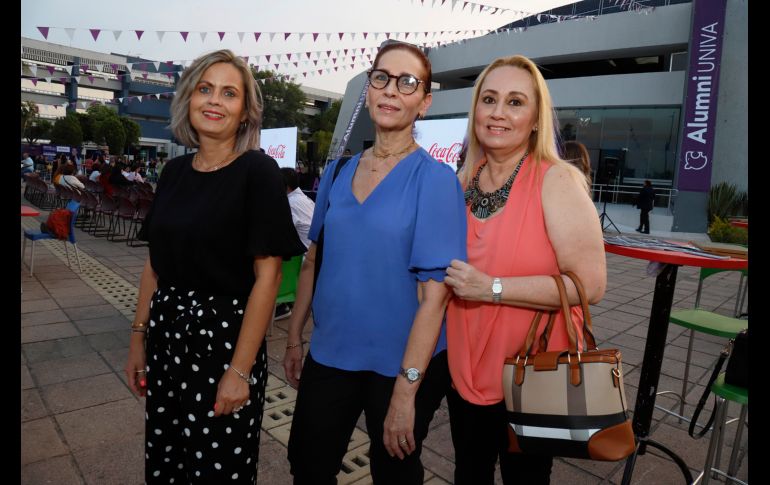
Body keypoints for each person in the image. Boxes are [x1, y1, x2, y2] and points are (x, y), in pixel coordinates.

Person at [283, 41, 467, 485]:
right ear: (369, 90)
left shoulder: (436, 181)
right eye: (381, 77)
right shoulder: (337, 172)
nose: (391, 90)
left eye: (408, 82)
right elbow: (314, 259)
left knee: (395, 475)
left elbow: (435, 299)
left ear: (424, 102)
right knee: (307, 464)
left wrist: (406, 391)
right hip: (331, 353)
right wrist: (293, 336)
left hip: (399, 362)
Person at [124, 49, 305, 484]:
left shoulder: (257, 172)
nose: (214, 101)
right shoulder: (173, 172)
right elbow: (155, 265)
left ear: (245, 112)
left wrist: (239, 371)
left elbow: (270, 277)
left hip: (225, 343)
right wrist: (137, 338)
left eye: (229, 93)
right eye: (205, 89)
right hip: (166, 338)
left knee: (216, 471)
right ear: (189, 98)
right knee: (166, 463)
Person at [443, 55, 607, 485]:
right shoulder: (460, 181)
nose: (499, 113)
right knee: (469, 472)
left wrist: (491, 287)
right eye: (489, 99)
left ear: (536, 119)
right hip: (465, 365)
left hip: (534, 371)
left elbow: (590, 285)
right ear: (475, 110)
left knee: (526, 479)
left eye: (515, 102)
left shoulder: (557, 180)